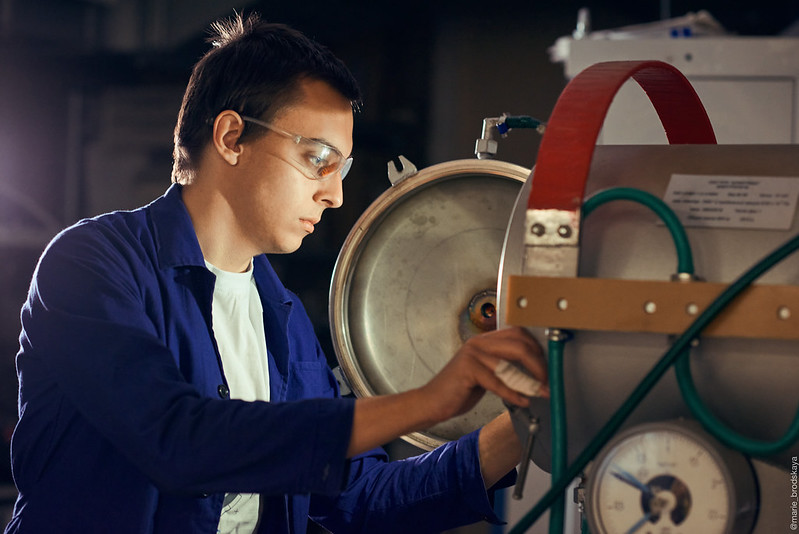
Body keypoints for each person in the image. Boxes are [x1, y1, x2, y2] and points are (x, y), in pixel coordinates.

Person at [4, 12, 548, 534]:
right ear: (231, 137)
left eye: (342, 169)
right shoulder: (91, 265)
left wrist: (534, 419)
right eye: (318, 159)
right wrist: (429, 400)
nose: (334, 195)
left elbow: (363, 498)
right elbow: (178, 441)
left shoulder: (281, 318)